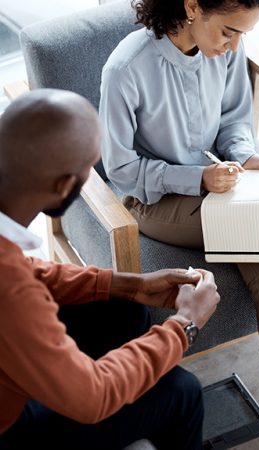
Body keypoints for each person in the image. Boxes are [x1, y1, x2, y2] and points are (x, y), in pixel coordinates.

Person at [99, 1, 259, 449]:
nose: (234, 45)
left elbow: (232, 120)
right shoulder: (127, 68)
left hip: (219, 185)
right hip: (154, 200)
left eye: (242, 34)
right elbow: (121, 170)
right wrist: (196, 178)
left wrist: (241, 153)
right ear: (192, 7)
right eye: (229, 31)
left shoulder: (226, 51)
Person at [0, 89, 220, 450]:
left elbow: (28, 271)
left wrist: (125, 284)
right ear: (63, 186)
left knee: (124, 309)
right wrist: (185, 326)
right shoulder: (10, 292)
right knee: (182, 392)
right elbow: (92, 397)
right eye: (90, 167)